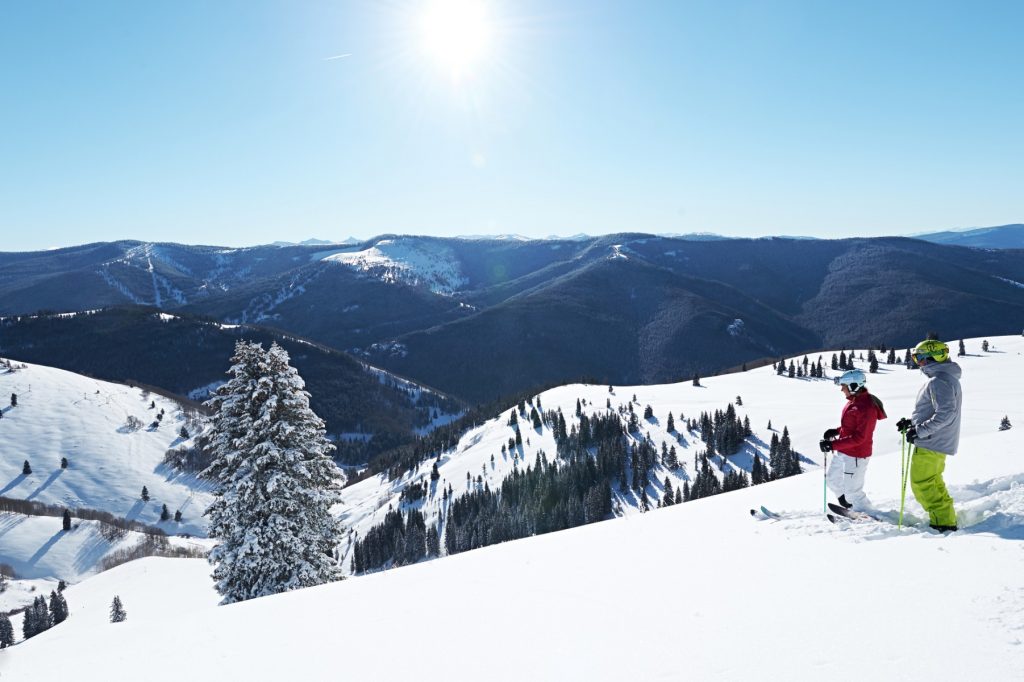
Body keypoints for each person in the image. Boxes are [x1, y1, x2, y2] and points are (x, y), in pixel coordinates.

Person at [896, 338, 962, 532]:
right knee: (933, 480)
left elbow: (946, 413)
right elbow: (937, 410)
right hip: (937, 440)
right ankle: (946, 517)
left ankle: (943, 523)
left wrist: (920, 431)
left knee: (922, 483)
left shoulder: (939, 381)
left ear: (932, 357)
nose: (919, 363)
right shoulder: (946, 378)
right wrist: (912, 423)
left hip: (931, 442)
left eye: (920, 358)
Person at [819, 368, 887, 510]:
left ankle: (870, 514)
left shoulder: (867, 408)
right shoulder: (854, 401)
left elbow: (860, 437)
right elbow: (850, 426)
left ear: (853, 386)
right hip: (844, 450)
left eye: (843, 386)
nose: (842, 389)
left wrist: (832, 445)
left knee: (853, 492)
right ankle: (849, 506)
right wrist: (836, 431)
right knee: (832, 480)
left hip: (856, 455)